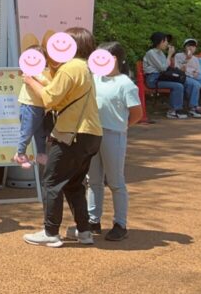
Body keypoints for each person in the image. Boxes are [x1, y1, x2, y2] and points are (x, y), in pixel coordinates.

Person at [22, 27, 103, 248]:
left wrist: (30, 81)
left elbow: (50, 98)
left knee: (51, 182)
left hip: (71, 134)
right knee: (74, 184)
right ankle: (84, 231)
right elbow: (59, 94)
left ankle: (51, 232)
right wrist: (40, 79)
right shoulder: (84, 68)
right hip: (90, 134)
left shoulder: (70, 67)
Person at [87, 41, 143, 242]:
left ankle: (120, 224)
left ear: (114, 59)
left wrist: (122, 126)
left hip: (113, 135)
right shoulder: (94, 78)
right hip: (92, 134)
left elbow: (137, 113)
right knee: (93, 180)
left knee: (115, 182)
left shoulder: (125, 83)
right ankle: (93, 220)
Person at [142, 32, 200, 119]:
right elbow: (163, 68)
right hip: (153, 79)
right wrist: (169, 55)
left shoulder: (160, 53)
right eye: (165, 41)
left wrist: (169, 57)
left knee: (184, 82)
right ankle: (173, 111)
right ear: (159, 41)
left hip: (161, 77)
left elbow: (166, 67)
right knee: (178, 86)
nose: (167, 43)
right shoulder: (151, 53)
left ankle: (189, 108)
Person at [14, 44, 52, 168]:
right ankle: (20, 154)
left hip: (40, 107)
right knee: (27, 131)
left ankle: (41, 154)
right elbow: (47, 83)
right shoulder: (30, 71)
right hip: (29, 105)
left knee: (40, 133)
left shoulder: (44, 71)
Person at [173, 38, 201, 115]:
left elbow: (197, 72)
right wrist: (187, 59)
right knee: (196, 84)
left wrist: (195, 74)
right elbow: (180, 71)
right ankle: (193, 107)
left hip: (195, 77)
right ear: (184, 47)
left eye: (193, 46)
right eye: (189, 46)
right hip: (184, 76)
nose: (191, 48)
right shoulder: (178, 56)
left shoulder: (195, 59)